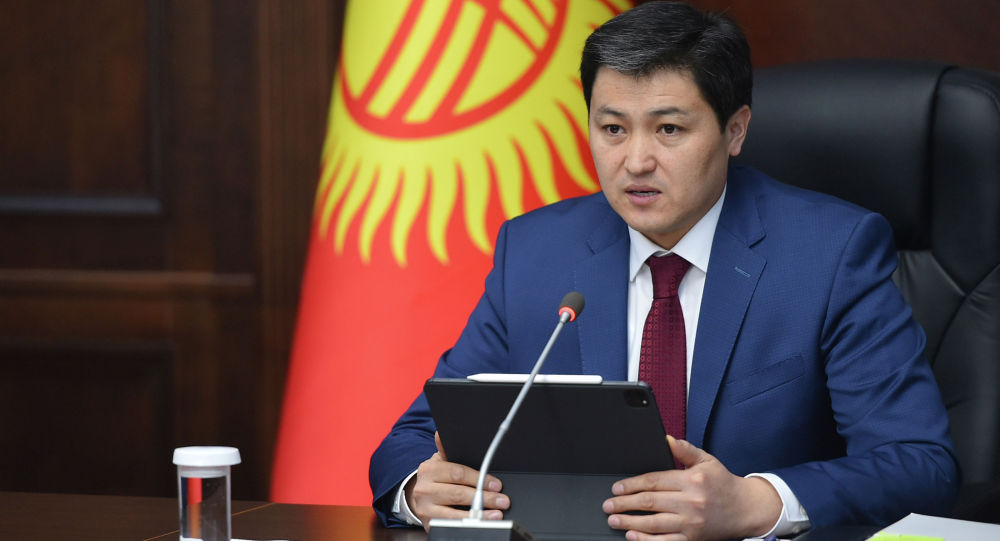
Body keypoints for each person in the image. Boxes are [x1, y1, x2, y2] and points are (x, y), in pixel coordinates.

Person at [368, 2, 960, 539]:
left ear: (735, 130)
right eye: (613, 129)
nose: (635, 161)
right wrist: (418, 491)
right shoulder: (535, 252)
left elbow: (920, 464)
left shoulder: (831, 254)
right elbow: (410, 441)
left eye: (669, 129)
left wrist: (758, 503)